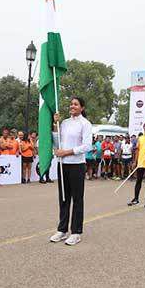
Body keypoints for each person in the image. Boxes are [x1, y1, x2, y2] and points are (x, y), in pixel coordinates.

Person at [49, 97, 92, 246]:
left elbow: (87, 146)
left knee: (77, 199)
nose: (72, 106)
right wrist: (55, 124)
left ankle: (76, 232)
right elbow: (57, 141)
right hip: (63, 165)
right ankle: (62, 230)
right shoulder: (64, 123)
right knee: (63, 198)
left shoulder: (85, 124)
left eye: (76, 104)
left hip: (77, 165)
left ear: (82, 107)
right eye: (71, 104)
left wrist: (67, 152)